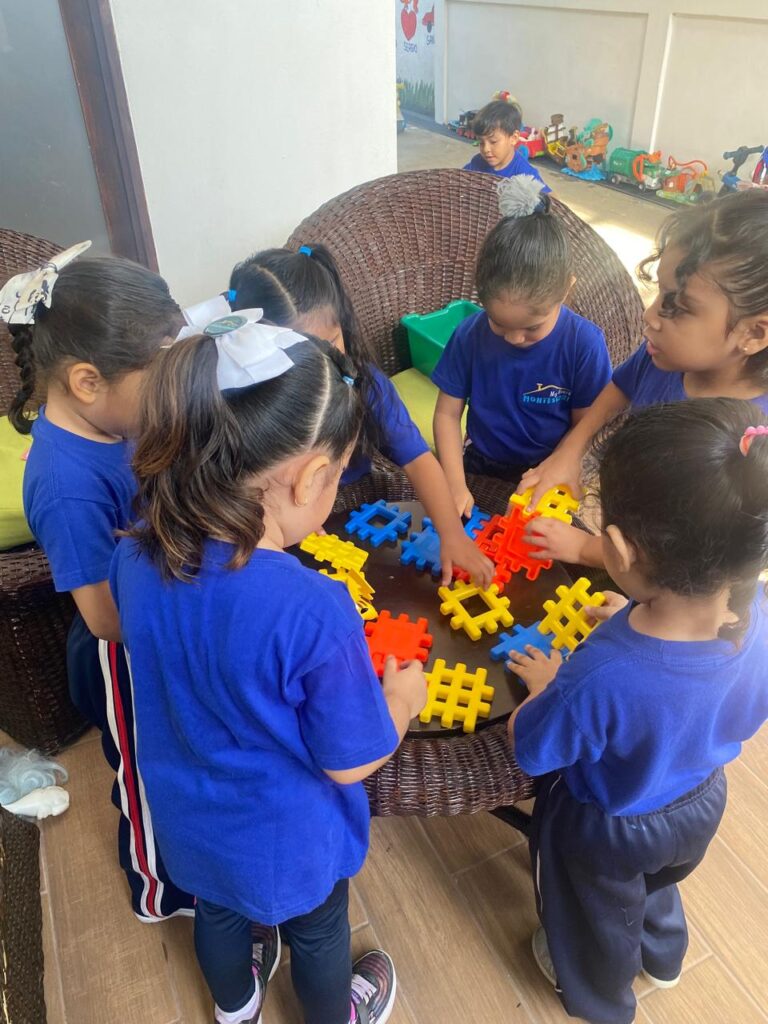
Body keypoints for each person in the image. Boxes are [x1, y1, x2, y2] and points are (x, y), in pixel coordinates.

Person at [111, 313, 428, 1024]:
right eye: (338, 474)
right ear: (312, 477)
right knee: (318, 932)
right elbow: (350, 762)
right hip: (290, 840)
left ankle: (236, 1007)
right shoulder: (313, 608)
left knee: (219, 916)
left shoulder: (132, 554)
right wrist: (402, 700)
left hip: (191, 821)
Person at [507, 398, 768, 1024]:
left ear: (618, 550)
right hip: (701, 798)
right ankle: (665, 953)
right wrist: (634, 612)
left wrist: (548, 686)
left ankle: (599, 998)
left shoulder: (600, 673)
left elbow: (531, 749)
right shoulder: (757, 618)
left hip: (608, 823)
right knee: (658, 880)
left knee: (591, 911)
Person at [1, 243, 193, 921]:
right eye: (157, 379)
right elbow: (106, 619)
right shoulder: (66, 487)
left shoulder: (115, 421)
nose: (167, 396)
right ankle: (157, 890)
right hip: (121, 656)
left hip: (156, 618)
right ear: (87, 381)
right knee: (144, 774)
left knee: (179, 756)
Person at [520, 188, 768, 569]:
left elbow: (683, 560)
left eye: (677, 307)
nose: (649, 316)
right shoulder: (664, 357)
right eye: (660, 293)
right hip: (624, 531)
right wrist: (568, 453)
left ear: (753, 333)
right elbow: (620, 387)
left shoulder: (746, 443)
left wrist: (585, 549)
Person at [227, 243, 493, 587]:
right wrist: (290, 519)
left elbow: (418, 459)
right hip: (280, 519)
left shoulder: (366, 385)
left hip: (356, 495)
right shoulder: (244, 404)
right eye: (305, 354)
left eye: (332, 342)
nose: (328, 363)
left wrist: (452, 535)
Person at [432, 176, 611, 516]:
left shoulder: (584, 344)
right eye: (498, 323)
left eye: (531, 328)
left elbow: (586, 427)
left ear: (566, 290)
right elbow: (446, 413)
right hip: (480, 462)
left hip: (548, 468)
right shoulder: (470, 334)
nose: (514, 338)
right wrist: (454, 483)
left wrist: (559, 466)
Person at [463, 99, 550, 191]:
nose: (486, 149)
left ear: (514, 138)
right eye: (481, 142)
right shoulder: (477, 162)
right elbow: (460, 178)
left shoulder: (524, 174)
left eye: (493, 142)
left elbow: (549, 196)